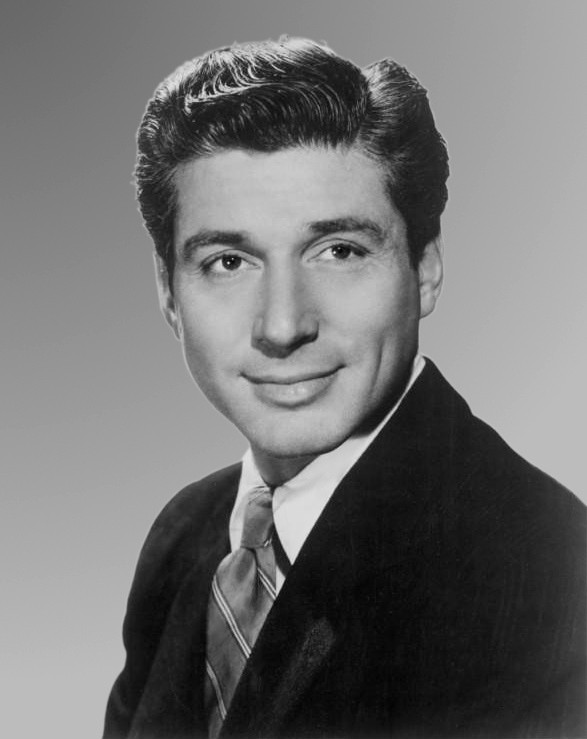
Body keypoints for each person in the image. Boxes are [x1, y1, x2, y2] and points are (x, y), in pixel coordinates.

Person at [103, 37, 585, 739]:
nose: (282, 324)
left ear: (424, 268)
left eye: (338, 251)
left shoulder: (547, 575)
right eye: (228, 261)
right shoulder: (181, 534)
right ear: (168, 292)